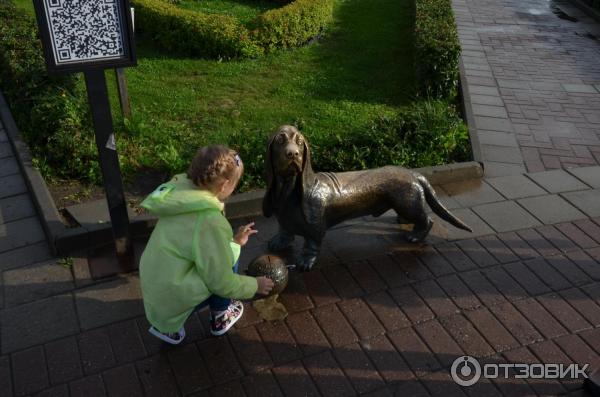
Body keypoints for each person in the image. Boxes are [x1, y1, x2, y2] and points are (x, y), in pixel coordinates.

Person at [139, 145, 274, 344]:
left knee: (221, 255)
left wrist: (235, 241)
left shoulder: (179, 195)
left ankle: (165, 326)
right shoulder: (209, 222)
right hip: (173, 295)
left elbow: (194, 244)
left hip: (154, 285)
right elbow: (220, 280)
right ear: (224, 185)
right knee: (228, 263)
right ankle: (220, 317)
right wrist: (254, 285)